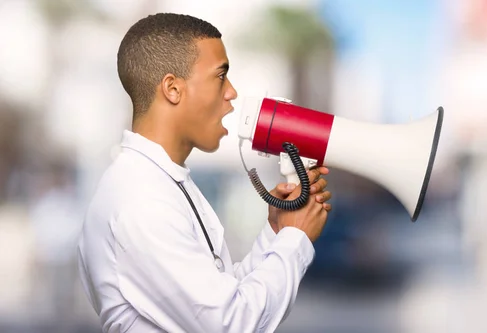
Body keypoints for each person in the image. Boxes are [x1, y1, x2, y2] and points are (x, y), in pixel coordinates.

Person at [77, 13, 332, 333]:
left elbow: (217, 295)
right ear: (172, 88)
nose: (232, 92)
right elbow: (229, 323)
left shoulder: (160, 181)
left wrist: (276, 233)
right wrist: (296, 238)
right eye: (220, 76)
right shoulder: (141, 198)